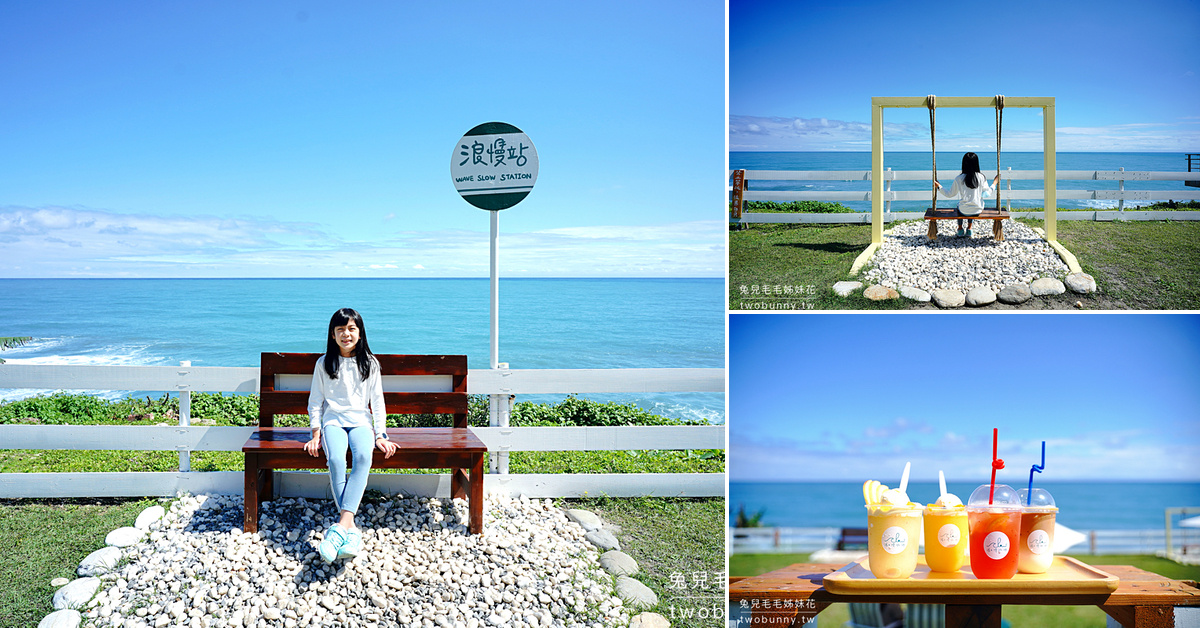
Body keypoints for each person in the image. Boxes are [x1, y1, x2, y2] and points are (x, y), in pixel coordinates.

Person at [303, 307, 398, 562]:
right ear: (333, 335)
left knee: (364, 458)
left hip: (361, 423)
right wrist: (315, 433)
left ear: (360, 332)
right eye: (340, 329)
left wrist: (381, 435)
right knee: (335, 460)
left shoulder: (371, 363)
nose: (346, 334)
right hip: (333, 422)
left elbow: (377, 402)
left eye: (351, 328)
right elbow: (315, 401)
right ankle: (351, 529)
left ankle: (340, 527)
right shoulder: (324, 363)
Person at [933, 152, 1001, 237]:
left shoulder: (959, 178)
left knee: (960, 205)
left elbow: (950, 194)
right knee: (973, 202)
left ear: (964, 164)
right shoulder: (981, 177)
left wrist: (939, 186)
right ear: (977, 163)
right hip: (978, 210)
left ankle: (960, 229)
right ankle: (969, 228)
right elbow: (986, 194)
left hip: (963, 210)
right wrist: (995, 182)